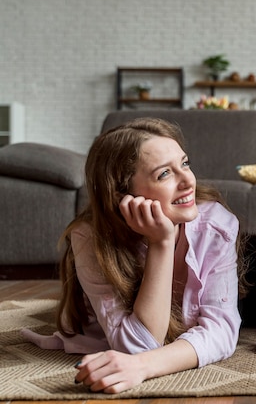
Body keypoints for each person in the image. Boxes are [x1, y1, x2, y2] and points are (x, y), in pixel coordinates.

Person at [22, 118, 243, 393]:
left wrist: (142, 367)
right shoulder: (90, 238)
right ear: (121, 195)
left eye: (185, 164)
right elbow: (139, 345)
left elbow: (221, 331)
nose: (188, 181)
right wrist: (160, 243)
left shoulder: (217, 226)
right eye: (164, 174)